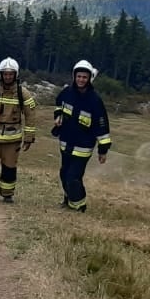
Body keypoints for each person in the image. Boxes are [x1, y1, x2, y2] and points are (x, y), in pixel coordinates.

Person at [53, 59, 111, 212]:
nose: (81, 80)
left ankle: (79, 206)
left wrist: (103, 150)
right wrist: (58, 114)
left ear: (89, 78)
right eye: (79, 76)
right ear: (74, 76)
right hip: (65, 143)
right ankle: (68, 200)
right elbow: (59, 103)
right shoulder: (66, 93)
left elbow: (102, 126)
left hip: (83, 147)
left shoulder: (95, 100)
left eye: (84, 77)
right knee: (64, 173)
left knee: (73, 177)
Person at [0, 57, 36, 203]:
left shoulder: (23, 94)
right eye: (5, 73)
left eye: (11, 74)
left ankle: (7, 195)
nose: (8, 76)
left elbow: (30, 117)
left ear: (16, 75)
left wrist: (29, 138)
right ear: (1, 74)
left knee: (9, 169)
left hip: (12, 140)